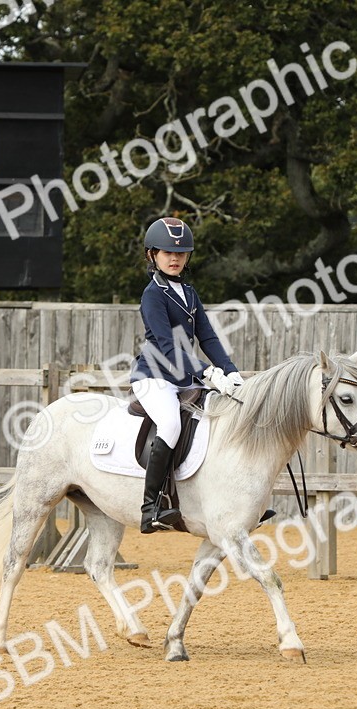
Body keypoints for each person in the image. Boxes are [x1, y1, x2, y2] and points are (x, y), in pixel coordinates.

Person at [130, 217, 243, 533]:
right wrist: (207, 372)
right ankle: (151, 507)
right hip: (154, 376)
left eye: (181, 253)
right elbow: (167, 347)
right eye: (167, 253)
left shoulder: (189, 293)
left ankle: (233, 504)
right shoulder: (153, 294)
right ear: (153, 255)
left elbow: (208, 338)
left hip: (183, 379)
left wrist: (232, 374)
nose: (175, 258)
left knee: (222, 418)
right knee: (169, 423)